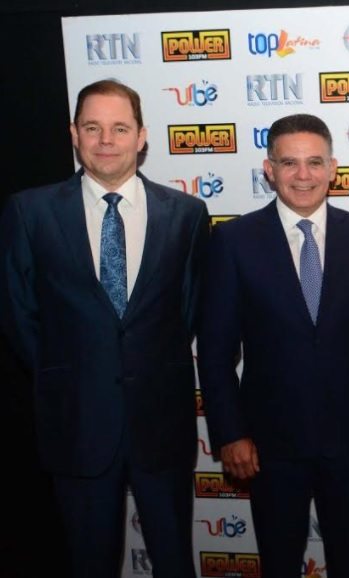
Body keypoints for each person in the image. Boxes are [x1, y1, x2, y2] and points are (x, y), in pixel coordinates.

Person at [0, 79, 209, 578]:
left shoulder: (186, 215)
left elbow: (188, 310)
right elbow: (18, 313)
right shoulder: (30, 212)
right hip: (76, 426)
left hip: (162, 426)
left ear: (142, 136)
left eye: (120, 128)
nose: (106, 140)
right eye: (92, 128)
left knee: (175, 562)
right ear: (74, 134)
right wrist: (73, 375)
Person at [196, 113, 349, 578]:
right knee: (279, 562)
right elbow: (216, 350)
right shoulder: (233, 240)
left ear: (333, 168)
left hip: (348, 438)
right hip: (269, 442)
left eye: (314, 162)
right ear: (269, 169)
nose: (303, 175)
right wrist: (230, 432)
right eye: (289, 163)